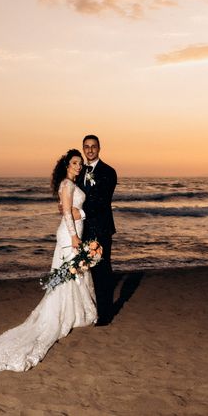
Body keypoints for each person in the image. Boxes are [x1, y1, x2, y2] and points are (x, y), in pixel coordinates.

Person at [0, 149, 96, 373]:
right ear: (66, 165)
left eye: (80, 163)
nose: (78, 166)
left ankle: (75, 313)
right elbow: (66, 214)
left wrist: (79, 215)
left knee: (71, 273)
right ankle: (67, 315)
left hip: (73, 232)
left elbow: (69, 209)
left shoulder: (71, 184)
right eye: (74, 162)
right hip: (69, 234)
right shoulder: (67, 185)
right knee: (68, 273)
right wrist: (74, 234)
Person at [77, 134, 118, 325]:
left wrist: (80, 213)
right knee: (87, 271)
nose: (90, 150)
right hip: (83, 230)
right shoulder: (79, 171)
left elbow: (102, 201)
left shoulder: (109, 172)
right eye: (86, 147)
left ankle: (106, 314)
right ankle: (90, 310)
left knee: (103, 270)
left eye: (93, 146)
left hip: (101, 229)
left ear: (99, 148)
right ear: (83, 149)